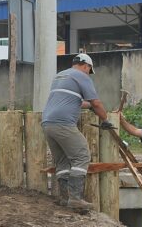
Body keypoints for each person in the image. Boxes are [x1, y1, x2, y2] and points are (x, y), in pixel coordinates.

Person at [41, 53, 112, 212]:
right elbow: (96, 102)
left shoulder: (60, 76)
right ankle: (75, 198)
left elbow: (77, 101)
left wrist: (91, 107)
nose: (88, 73)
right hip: (63, 123)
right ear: (86, 66)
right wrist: (105, 119)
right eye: (89, 70)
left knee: (62, 162)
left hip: (47, 123)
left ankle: (65, 198)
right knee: (82, 155)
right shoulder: (81, 76)